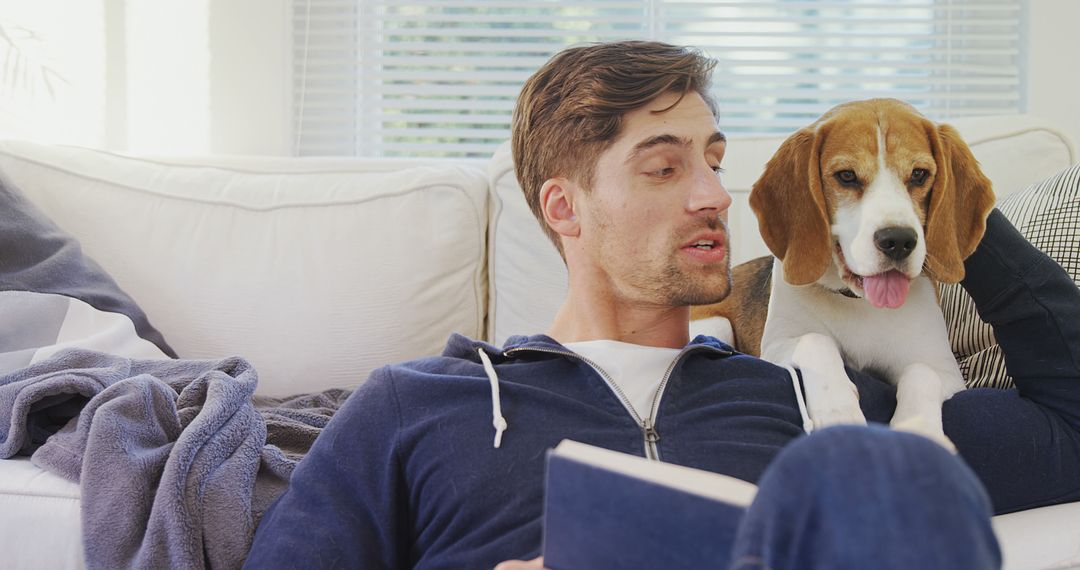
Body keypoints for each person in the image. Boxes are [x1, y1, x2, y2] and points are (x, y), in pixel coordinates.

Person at [244, 41, 1080, 569]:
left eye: (715, 160)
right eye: (665, 165)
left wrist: (924, 191)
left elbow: (1072, 429)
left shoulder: (828, 404)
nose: (716, 194)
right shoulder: (421, 405)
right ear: (564, 208)